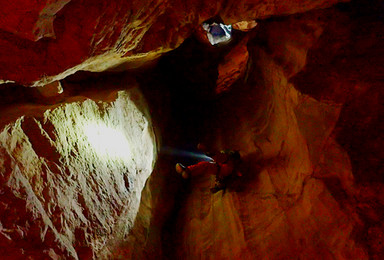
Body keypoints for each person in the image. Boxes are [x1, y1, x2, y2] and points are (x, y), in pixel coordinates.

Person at [175, 150, 242, 193]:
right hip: (222, 168)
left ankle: (188, 170)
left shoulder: (229, 162)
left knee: (205, 165)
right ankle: (188, 170)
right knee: (206, 164)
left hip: (223, 169)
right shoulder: (228, 161)